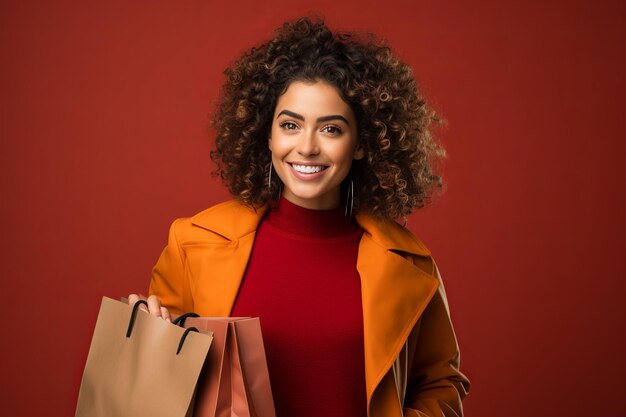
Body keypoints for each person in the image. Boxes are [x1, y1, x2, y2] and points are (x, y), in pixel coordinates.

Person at [129, 16, 470, 417]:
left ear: (361, 143)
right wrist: (149, 345)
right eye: (290, 125)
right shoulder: (194, 243)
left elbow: (441, 383)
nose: (306, 147)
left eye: (331, 129)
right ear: (268, 135)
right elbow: (162, 395)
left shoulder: (408, 262)